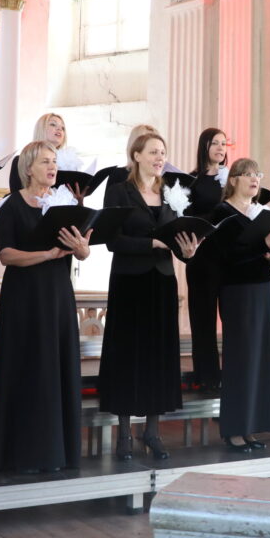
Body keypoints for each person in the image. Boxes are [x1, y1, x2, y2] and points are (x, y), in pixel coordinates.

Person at [0, 141, 91, 473]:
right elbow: (6, 254)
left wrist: (81, 247)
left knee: (56, 370)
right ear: (28, 168)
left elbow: (83, 252)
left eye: (54, 161)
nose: (52, 167)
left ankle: (57, 453)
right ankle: (20, 454)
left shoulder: (65, 204)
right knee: (26, 370)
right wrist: (46, 255)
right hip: (24, 298)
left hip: (58, 295)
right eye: (45, 161)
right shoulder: (11, 205)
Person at [99, 133, 198, 460]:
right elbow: (112, 240)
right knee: (127, 356)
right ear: (137, 155)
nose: (160, 158)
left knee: (158, 356)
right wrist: (150, 244)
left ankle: (152, 432)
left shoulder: (170, 193)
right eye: (154, 152)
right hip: (129, 282)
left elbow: (177, 241)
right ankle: (125, 435)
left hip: (161, 282)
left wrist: (188, 252)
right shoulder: (119, 191)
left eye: (163, 153)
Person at [211, 158, 270, 451]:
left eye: (258, 174)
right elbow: (228, 256)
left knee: (261, 359)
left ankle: (251, 427)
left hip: (262, 288)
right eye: (248, 174)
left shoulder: (261, 213)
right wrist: (264, 247)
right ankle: (234, 429)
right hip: (237, 290)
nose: (255, 179)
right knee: (241, 359)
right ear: (233, 180)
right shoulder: (222, 212)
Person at [185, 127, 228, 391]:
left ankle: (231, 377)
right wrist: (214, 216)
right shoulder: (191, 180)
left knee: (232, 318)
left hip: (229, 257)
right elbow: (186, 216)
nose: (221, 148)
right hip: (201, 256)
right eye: (215, 143)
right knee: (203, 319)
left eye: (224, 144)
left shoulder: (232, 179)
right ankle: (206, 377)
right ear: (205, 146)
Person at [9, 112, 79, 193]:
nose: (59, 129)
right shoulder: (21, 160)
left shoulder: (70, 164)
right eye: (53, 124)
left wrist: (77, 199)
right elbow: (16, 195)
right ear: (41, 129)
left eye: (62, 128)